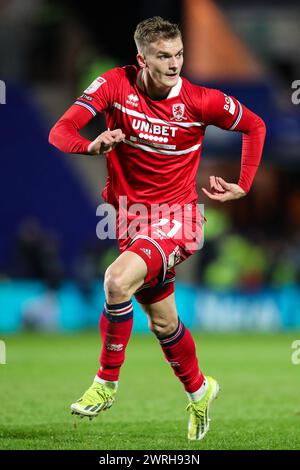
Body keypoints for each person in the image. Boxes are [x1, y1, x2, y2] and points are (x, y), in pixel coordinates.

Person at [49, 16, 266, 441]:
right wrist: (89, 145)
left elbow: (254, 125)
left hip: (179, 220)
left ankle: (106, 383)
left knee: (115, 280)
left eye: (179, 54)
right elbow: (61, 131)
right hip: (129, 220)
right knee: (163, 323)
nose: (174, 64)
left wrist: (244, 183)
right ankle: (201, 390)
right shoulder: (114, 84)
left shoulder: (201, 100)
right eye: (163, 56)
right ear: (141, 58)